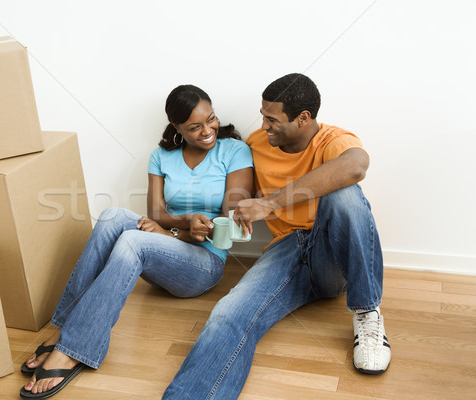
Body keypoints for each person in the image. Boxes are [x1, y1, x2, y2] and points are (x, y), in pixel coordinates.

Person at [163, 73, 390, 399]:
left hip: (331, 256)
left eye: (272, 119)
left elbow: (355, 166)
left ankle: (367, 313)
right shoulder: (256, 143)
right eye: (263, 115)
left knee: (345, 193)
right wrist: (201, 220)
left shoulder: (333, 140)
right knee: (228, 313)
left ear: (303, 118)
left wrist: (270, 203)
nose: (264, 125)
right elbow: (232, 193)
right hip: (285, 251)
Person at [19, 84, 254, 399]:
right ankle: (65, 329)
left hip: (204, 263)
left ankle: (74, 347)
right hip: (165, 251)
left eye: (211, 120)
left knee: (132, 240)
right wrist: (179, 225)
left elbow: (231, 220)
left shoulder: (234, 151)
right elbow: (155, 213)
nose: (207, 130)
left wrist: (177, 231)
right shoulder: (162, 156)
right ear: (177, 128)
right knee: (113, 216)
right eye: (194, 127)